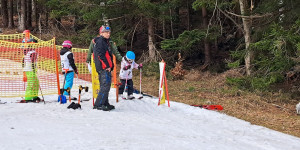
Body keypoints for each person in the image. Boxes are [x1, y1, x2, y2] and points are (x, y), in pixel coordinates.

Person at [93, 25, 115, 111]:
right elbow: (100, 55)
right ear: (101, 33)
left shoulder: (105, 41)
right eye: (106, 32)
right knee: (105, 86)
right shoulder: (101, 41)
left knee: (105, 85)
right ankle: (99, 104)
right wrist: (107, 66)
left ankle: (105, 103)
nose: (108, 34)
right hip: (103, 67)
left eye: (109, 32)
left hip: (105, 67)